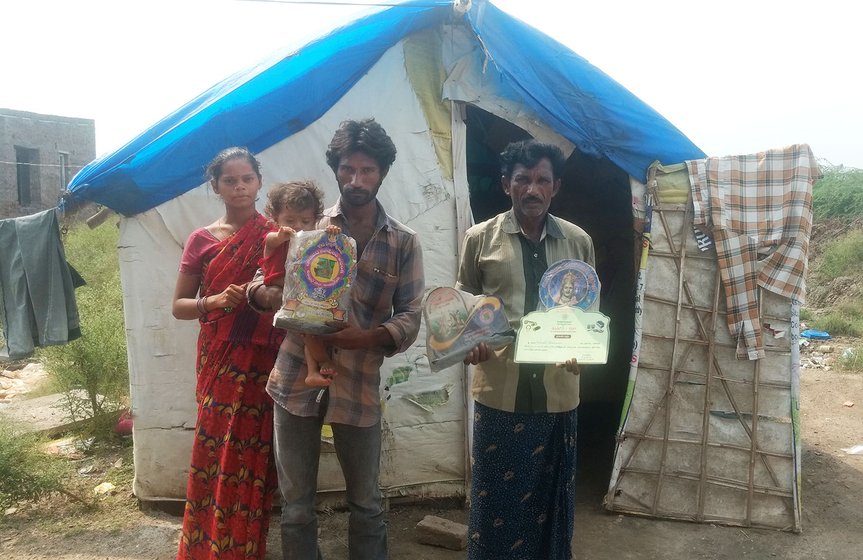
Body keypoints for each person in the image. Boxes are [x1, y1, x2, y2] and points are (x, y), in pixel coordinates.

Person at [248, 118, 425, 560]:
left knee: (366, 504)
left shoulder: (403, 242)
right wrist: (268, 295)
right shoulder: (308, 226)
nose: (356, 180)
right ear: (336, 170)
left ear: (383, 172)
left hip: (360, 381)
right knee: (296, 508)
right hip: (294, 378)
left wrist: (364, 338)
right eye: (347, 170)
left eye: (367, 170)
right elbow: (260, 278)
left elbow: (411, 315)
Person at [456, 139, 596, 560]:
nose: (532, 189)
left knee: (551, 501)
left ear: (556, 187)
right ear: (505, 184)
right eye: (522, 179)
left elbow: (589, 312)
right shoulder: (480, 239)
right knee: (496, 500)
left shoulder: (578, 241)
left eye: (542, 180)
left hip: (558, 390)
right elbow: (464, 305)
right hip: (501, 389)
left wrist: (582, 349)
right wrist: (470, 341)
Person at [171, 147, 284, 560]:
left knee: (253, 457)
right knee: (214, 452)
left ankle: (245, 547)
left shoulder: (276, 234)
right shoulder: (201, 240)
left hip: (264, 360)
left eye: (247, 179)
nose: (239, 187)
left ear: (259, 181)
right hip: (218, 360)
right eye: (229, 180)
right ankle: (205, 548)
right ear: (215, 186)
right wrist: (214, 301)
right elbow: (179, 306)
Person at [261, 180, 342, 388]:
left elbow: (325, 248)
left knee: (311, 328)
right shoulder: (273, 236)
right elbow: (271, 241)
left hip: (300, 290)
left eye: (305, 221)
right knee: (308, 329)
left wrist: (330, 233)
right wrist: (281, 235)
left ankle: (313, 372)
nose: (298, 226)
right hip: (280, 287)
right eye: (289, 219)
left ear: (315, 220)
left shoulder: (309, 239)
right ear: (275, 218)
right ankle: (322, 361)